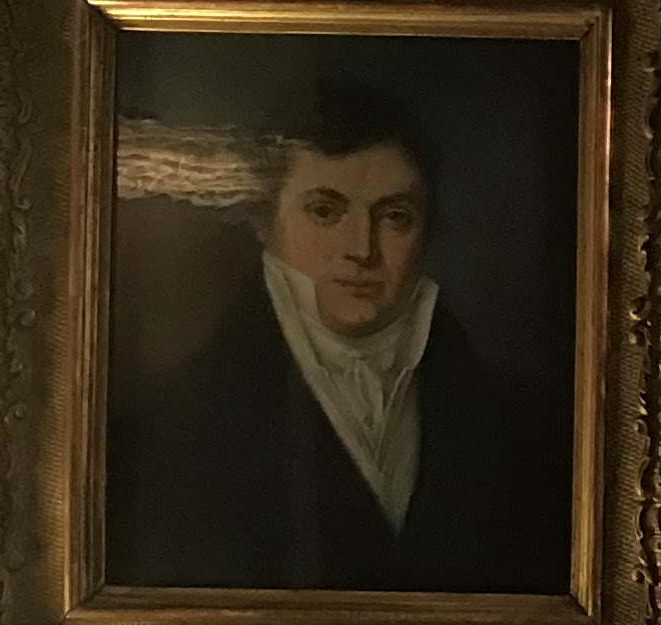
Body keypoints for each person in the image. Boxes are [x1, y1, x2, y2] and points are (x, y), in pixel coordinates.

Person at [107, 80, 570, 594]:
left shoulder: (518, 424)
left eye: (395, 217)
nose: (361, 249)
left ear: (428, 232)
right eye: (325, 211)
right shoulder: (172, 430)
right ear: (267, 222)